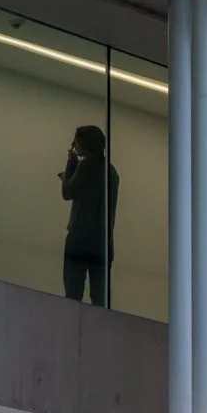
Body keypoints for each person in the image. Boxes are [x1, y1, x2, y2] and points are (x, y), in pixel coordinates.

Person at [59, 124, 119, 305]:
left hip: (80, 238)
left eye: (76, 142)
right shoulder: (112, 172)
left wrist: (70, 164)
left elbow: (67, 192)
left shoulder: (86, 166)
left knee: (73, 293)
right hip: (103, 242)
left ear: (84, 144)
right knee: (99, 299)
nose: (74, 146)